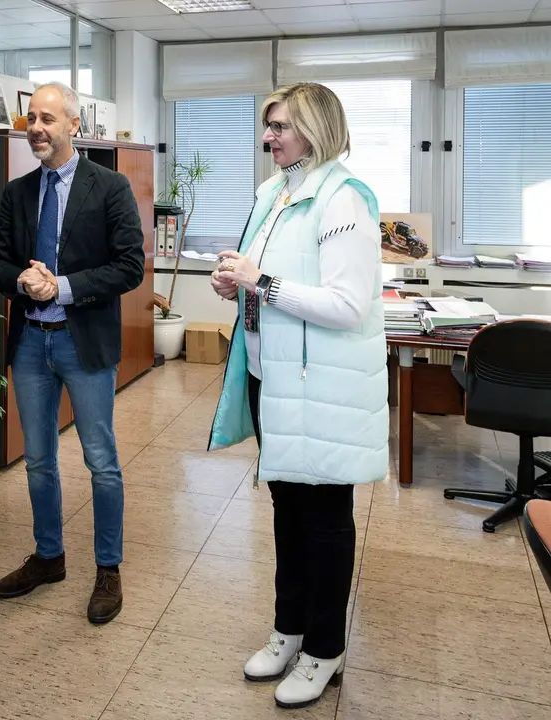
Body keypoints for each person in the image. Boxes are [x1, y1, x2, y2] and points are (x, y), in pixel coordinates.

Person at [208, 82, 388, 710]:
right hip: (271, 376)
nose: (268, 138)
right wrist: (238, 283)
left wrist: (264, 281)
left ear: (315, 127)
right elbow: (266, 279)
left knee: (325, 523)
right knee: (287, 512)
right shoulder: (276, 192)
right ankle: (290, 630)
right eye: (268, 127)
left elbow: (346, 305)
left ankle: (325, 648)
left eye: (280, 126)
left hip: (322, 386)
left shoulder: (343, 199)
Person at [0, 82, 145, 624]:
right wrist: (22, 279)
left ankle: (108, 567)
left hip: (83, 342)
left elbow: (129, 266)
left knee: (101, 461)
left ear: (75, 126)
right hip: (31, 341)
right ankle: (49, 556)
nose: (37, 128)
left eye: (49, 119)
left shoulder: (111, 187)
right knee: (37, 460)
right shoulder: (18, 192)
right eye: (32, 118)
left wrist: (65, 286)